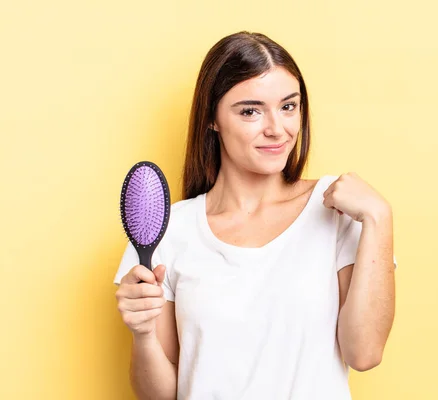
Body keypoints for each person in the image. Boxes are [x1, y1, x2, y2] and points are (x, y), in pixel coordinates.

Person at [113, 31, 397, 400]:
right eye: (250, 111)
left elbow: (365, 353)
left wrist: (379, 216)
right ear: (212, 119)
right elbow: (161, 395)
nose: (277, 129)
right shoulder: (168, 231)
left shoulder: (338, 212)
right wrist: (143, 333)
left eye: (288, 107)